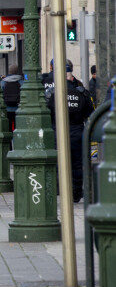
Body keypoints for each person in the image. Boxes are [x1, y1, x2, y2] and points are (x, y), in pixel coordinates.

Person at [46, 60, 94, 202]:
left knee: (57, 161)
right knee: (77, 164)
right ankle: (76, 192)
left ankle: (59, 189)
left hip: (56, 131)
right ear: (71, 76)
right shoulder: (81, 92)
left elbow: (46, 112)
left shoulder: (51, 93)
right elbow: (90, 112)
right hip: (77, 131)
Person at [1, 64, 23, 133]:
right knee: (18, 128)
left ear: (9, 71)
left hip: (7, 108)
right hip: (18, 108)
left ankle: (10, 143)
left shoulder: (3, 82)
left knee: (8, 129)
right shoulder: (21, 82)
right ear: (17, 71)